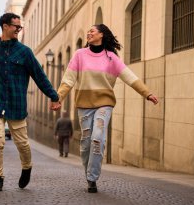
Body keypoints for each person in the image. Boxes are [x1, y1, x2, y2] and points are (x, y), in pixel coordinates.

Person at [0, 13, 61, 192]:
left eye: (20, 27)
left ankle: (27, 166)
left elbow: (40, 76)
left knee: (22, 143)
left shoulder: (25, 52)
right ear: (5, 26)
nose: (18, 30)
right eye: (16, 27)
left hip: (17, 105)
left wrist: (53, 96)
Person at [53, 24, 158, 193]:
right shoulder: (80, 55)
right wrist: (58, 98)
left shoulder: (111, 58)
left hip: (104, 104)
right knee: (86, 143)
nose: (89, 33)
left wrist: (147, 93)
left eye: (92, 31)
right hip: (84, 106)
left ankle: (93, 178)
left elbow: (129, 77)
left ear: (101, 34)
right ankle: (89, 175)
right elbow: (68, 79)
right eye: (88, 31)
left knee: (98, 138)